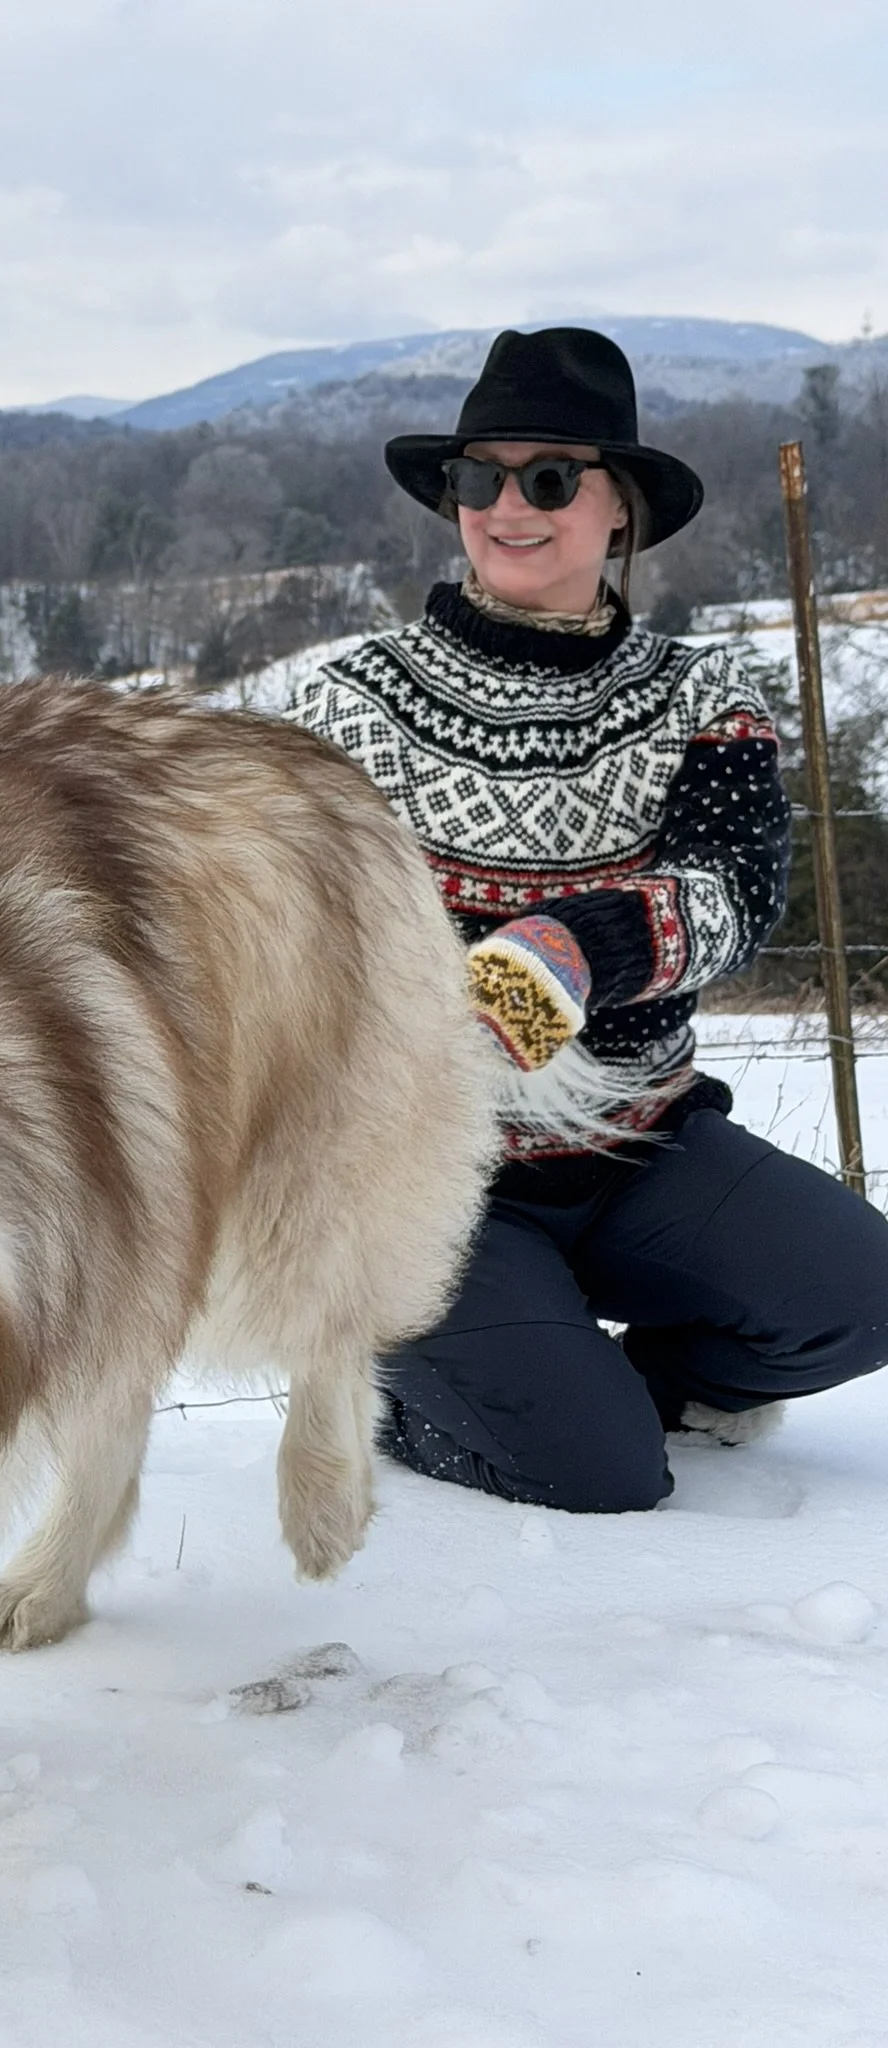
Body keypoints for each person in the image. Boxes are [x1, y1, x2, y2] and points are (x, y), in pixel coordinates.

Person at [285, 325, 888, 1512]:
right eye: (480, 477)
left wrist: (582, 941)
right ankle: (404, 1391)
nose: (511, 505)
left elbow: (733, 894)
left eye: (551, 477)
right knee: (598, 1473)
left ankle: (622, 1374)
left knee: (861, 1296)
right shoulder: (345, 702)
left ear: (621, 510)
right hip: (425, 1174)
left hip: (637, 1150)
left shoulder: (700, 693)